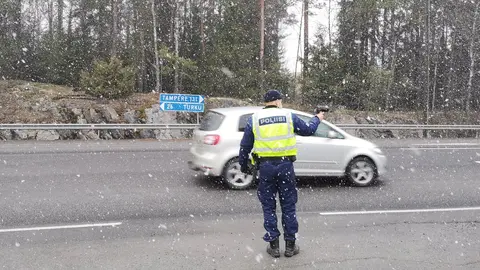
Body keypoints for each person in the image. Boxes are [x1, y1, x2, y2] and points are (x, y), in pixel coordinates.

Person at [239, 89, 325, 258]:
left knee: (269, 207)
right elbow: (308, 130)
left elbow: (245, 146)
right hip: (285, 166)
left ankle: (274, 246)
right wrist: (318, 118)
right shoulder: (288, 116)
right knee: (288, 206)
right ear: (278, 101)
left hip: (265, 168)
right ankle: (290, 246)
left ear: (266, 102)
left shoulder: (254, 119)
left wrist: (244, 165)